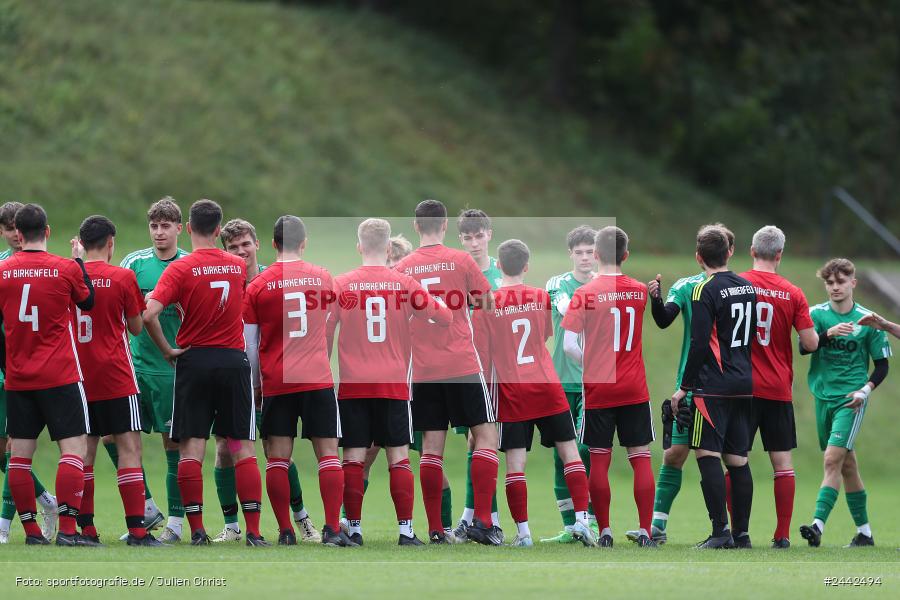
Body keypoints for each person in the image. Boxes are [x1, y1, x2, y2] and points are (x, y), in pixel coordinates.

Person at [143, 199, 266, 546]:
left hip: (194, 363)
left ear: (189, 229)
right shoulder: (235, 266)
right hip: (232, 364)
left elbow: (149, 314)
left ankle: (196, 530)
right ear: (217, 230)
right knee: (241, 446)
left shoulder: (180, 269)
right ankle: (254, 532)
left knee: (192, 447)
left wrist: (167, 350)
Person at [332, 218, 452, 546]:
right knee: (398, 458)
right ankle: (405, 531)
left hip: (354, 384)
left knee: (354, 458)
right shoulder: (405, 283)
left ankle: (353, 529)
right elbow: (445, 317)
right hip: (393, 383)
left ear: (359, 247)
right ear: (388, 249)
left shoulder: (341, 284)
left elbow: (325, 333)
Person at [473, 239, 594, 548]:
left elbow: (483, 356)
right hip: (547, 386)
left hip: (512, 391)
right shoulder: (541, 296)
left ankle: (524, 534)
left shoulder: (487, 303)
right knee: (569, 453)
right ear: (526, 266)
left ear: (498, 266)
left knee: (516, 464)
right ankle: (582, 520)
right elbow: (542, 336)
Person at [394, 199, 499, 545]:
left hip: (423, 368)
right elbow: (488, 303)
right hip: (463, 362)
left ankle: (437, 530)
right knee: (485, 436)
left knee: (431, 448)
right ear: (444, 226)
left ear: (415, 227)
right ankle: (483, 522)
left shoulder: (404, 268)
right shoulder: (461, 259)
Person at [216, 218, 318, 543]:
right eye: (232, 247)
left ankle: (301, 519)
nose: (241, 251)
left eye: (245, 244)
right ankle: (232, 526)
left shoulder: (271, 281)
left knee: (277, 451)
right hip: (232, 382)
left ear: (258, 245)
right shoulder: (223, 282)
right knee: (224, 449)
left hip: (271, 379)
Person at [244, 216, 343, 546]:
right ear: (304, 243)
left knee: (277, 458)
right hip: (316, 376)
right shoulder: (323, 278)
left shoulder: (258, 285)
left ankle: (286, 530)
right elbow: (329, 324)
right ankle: (331, 529)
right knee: (328, 454)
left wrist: (256, 385)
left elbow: (250, 344)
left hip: (277, 381)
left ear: (272, 244)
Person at [0, 204, 95, 546]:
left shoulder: (3, 270)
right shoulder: (65, 268)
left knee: (20, 457)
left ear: (19, 234)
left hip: (19, 379)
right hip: (60, 375)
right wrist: (80, 261)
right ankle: (68, 532)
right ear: (48, 232)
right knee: (73, 450)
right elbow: (88, 302)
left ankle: (31, 533)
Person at [70, 215, 163, 546]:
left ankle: (86, 530)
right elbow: (137, 328)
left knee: (83, 452)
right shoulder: (123, 277)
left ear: (81, 242)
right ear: (111, 242)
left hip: (78, 377)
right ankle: (138, 530)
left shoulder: (70, 276)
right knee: (129, 448)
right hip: (116, 376)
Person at [562, 226, 656, 548]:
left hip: (600, 388)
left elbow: (569, 346)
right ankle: (645, 530)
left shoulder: (585, 293)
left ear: (597, 255)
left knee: (599, 459)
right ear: (626, 255)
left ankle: (604, 531)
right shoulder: (640, 290)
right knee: (640, 457)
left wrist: (591, 363)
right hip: (634, 387)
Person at [674, 224, 756, 549]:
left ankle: (721, 532)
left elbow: (698, 343)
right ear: (729, 252)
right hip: (744, 382)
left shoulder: (703, 290)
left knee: (707, 454)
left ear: (698, 257)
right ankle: (743, 534)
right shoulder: (747, 286)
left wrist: (684, 387)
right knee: (738, 459)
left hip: (714, 386)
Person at [798, 258, 891, 548]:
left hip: (850, 400)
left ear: (853, 283)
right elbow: (804, 347)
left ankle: (817, 526)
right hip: (822, 396)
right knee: (847, 466)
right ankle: (864, 533)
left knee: (832, 460)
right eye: (830, 283)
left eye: (841, 281)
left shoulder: (868, 320)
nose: (835, 287)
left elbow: (882, 365)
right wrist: (827, 335)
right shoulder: (816, 314)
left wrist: (866, 389)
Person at [739, 225, 818, 548]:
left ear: (752, 251)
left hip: (740, 387)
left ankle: (737, 532)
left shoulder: (737, 284)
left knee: (736, 460)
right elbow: (810, 343)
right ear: (780, 255)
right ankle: (782, 535)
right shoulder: (794, 292)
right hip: (777, 389)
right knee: (782, 464)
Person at [119, 197, 188, 543]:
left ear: (179, 228)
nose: (159, 232)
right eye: (154, 226)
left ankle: (176, 524)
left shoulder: (189, 264)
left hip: (174, 370)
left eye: (166, 226)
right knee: (112, 436)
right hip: (137, 366)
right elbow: (119, 308)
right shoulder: (134, 263)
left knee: (172, 445)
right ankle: (146, 504)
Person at [0, 201, 57, 545]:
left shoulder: (46, 267)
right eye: (6, 228)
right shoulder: (2, 268)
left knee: (14, 449)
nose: (13, 235)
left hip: (22, 374)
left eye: (14, 227)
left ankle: (5, 525)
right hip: (7, 369)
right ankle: (47, 501)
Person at [541, 225, 598, 544]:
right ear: (570, 254)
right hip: (561, 378)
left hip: (593, 380)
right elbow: (564, 310)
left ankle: (588, 519)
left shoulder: (607, 285)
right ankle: (570, 525)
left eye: (591, 252)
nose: (586, 258)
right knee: (560, 452)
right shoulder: (557, 283)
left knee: (586, 448)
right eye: (580, 253)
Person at [452, 209, 503, 541]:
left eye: (479, 235)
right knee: (475, 439)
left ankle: (485, 519)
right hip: (464, 366)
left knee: (486, 439)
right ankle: (475, 518)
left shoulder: (502, 272)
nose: (474, 242)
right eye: (467, 237)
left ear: (489, 234)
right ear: (460, 239)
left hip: (496, 367)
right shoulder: (456, 271)